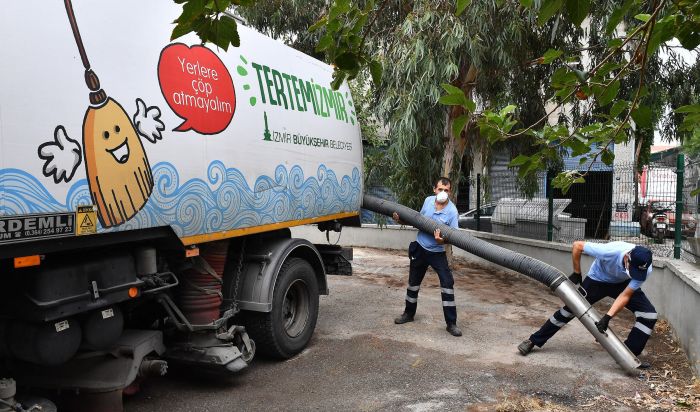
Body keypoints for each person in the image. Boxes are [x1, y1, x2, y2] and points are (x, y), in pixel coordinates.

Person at [517, 241, 656, 369]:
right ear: (627, 257)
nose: (636, 274)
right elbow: (577, 246)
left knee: (648, 315)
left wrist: (608, 317)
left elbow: (625, 295)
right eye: (633, 270)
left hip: (623, 284)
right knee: (569, 310)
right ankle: (533, 341)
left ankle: (628, 356)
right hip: (597, 280)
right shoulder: (609, 251)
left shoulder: (644, 269)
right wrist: (577, 272)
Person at [392, 177, 462, 337]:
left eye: (446, 190)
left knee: (447, 284)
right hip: (420, 248)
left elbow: (455, 237)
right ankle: (408, 314)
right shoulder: (428, 201)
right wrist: (400, 219)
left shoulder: (452, 211)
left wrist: (442, 240)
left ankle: (451, 324)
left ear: (450, 192)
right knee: (413, 284)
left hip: (437, 253)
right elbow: (418, 221)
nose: (443, 193)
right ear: (434, 190)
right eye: (440, 189)